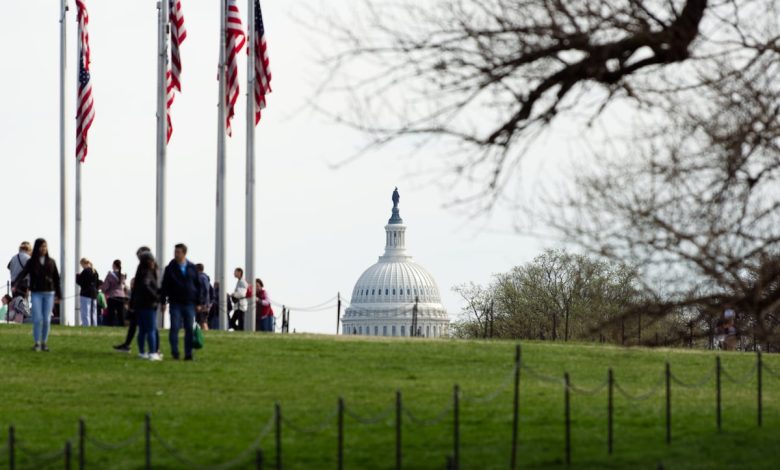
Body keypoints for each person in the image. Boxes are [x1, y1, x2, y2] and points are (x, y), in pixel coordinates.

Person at [12, 238, 61, 351]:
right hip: (36, 293)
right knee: (37, 318)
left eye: (45, 246)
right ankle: (37, 343)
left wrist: (59, 295)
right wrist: (15, 284)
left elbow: (56, 279)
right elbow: (23, 273)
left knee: (46, 319)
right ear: (37, 248)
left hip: (49, 293)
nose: (43, 248)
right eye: (41, 246)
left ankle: (44, 342)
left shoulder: (51, 262)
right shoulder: (32, 262)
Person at [161, 243, 205, 360]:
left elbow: (198, 285)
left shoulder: (192, 268)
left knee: (189, 329)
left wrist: (199, 302)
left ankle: (188, 354)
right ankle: (175, 352)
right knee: (174, 327)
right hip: (175, 303)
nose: (176, 254)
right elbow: (165, 286)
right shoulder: (170, 268)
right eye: (175, 252)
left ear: (184, 253)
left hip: (190, 303)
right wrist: (163, 302)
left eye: (178, 252)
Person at [131, 251, 162, 361]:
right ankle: (153, 352)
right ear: (149, 261)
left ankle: (142, 352)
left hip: (139, 305)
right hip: (148, 305)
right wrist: (156, 296)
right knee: (151, 329)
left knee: (143, 330)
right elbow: (147, 286)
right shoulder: (148, 273)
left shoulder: (140, 272)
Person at [102, 260, 128, 327]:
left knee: (111, 313)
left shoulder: (110, 275)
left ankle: (110, 326)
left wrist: (104, 291)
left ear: (114, 265)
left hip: (112, 296)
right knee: (121, 313)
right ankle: (122, 326)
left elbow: (106, 286)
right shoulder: (123, 275)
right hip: (121, 296)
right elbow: (124, 285)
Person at [76, 258, 100, 327]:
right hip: (94, 294)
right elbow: (97, 283)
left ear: (83, 263)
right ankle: (94, 325)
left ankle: (86, 325)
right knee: (93, 312)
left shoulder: (85, 271)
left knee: (85, 312)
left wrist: (77, 277)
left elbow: (80, 282)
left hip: (85, 294)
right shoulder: (95, 271)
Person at [195, 264, 212, 330]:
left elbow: (203, 291)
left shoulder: (201, 278)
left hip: (202, 304)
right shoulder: (205, 278)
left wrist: (201, 303)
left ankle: (206, 334)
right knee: (201, 321)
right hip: (205, 303)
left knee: (203, 321)